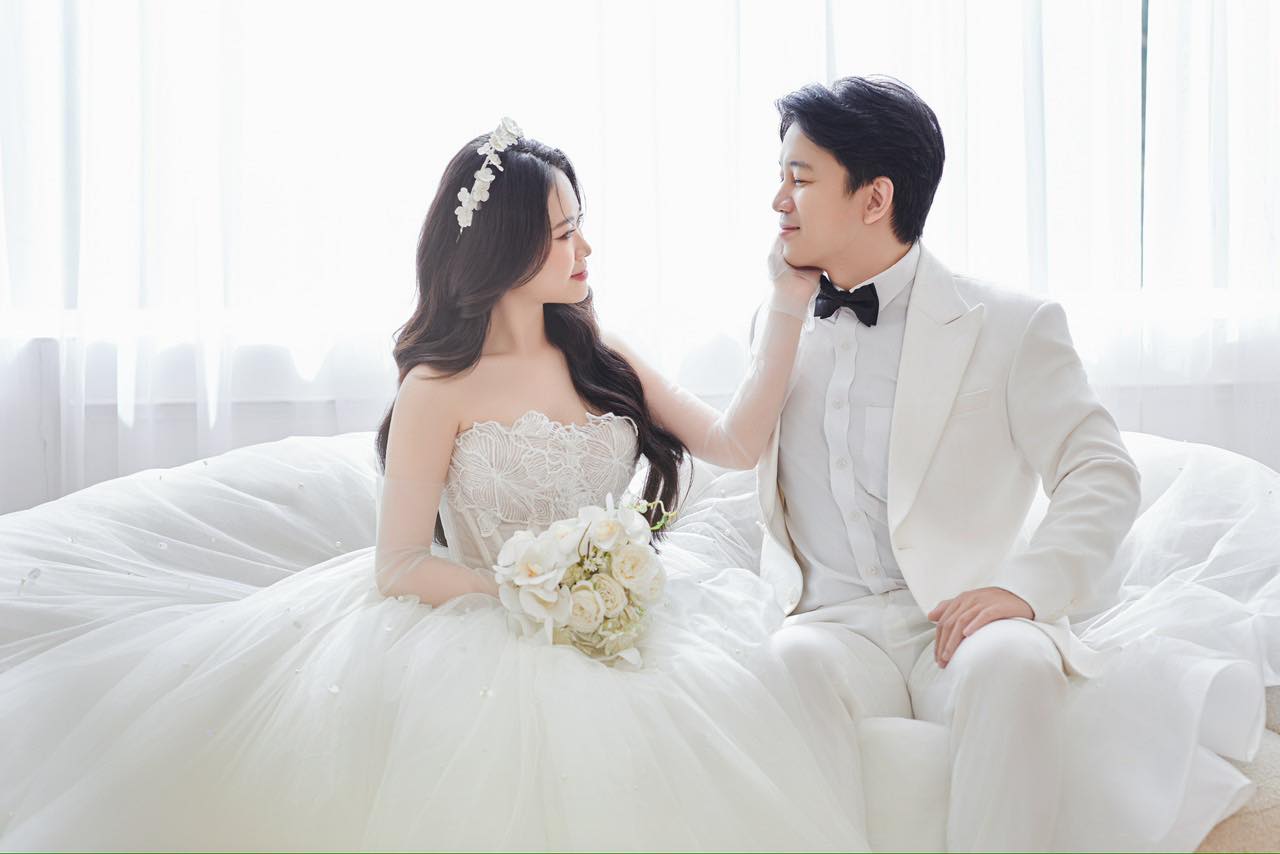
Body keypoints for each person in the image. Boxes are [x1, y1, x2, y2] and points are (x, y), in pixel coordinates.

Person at [0, 120, 872, 851]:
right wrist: (533, 601)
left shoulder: (600, 355)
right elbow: (399, 563)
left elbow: (736, 444)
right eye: (563, 233)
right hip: (480, 628)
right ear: (501, 247)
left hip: (615, 628)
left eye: (580, 225)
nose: (585, 249)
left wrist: (786, 304)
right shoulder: (437, 387)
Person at [750, 75, 1269, 851]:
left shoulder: (1011, 324)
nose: (778, 201)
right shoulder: (777, 322)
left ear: (875, 197)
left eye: (799, 179)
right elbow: (738, 452)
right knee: (788, 662)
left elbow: (1101, 472)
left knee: (1016, 666)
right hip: (833, 625)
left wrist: (1024, 588)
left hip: (961, 625)